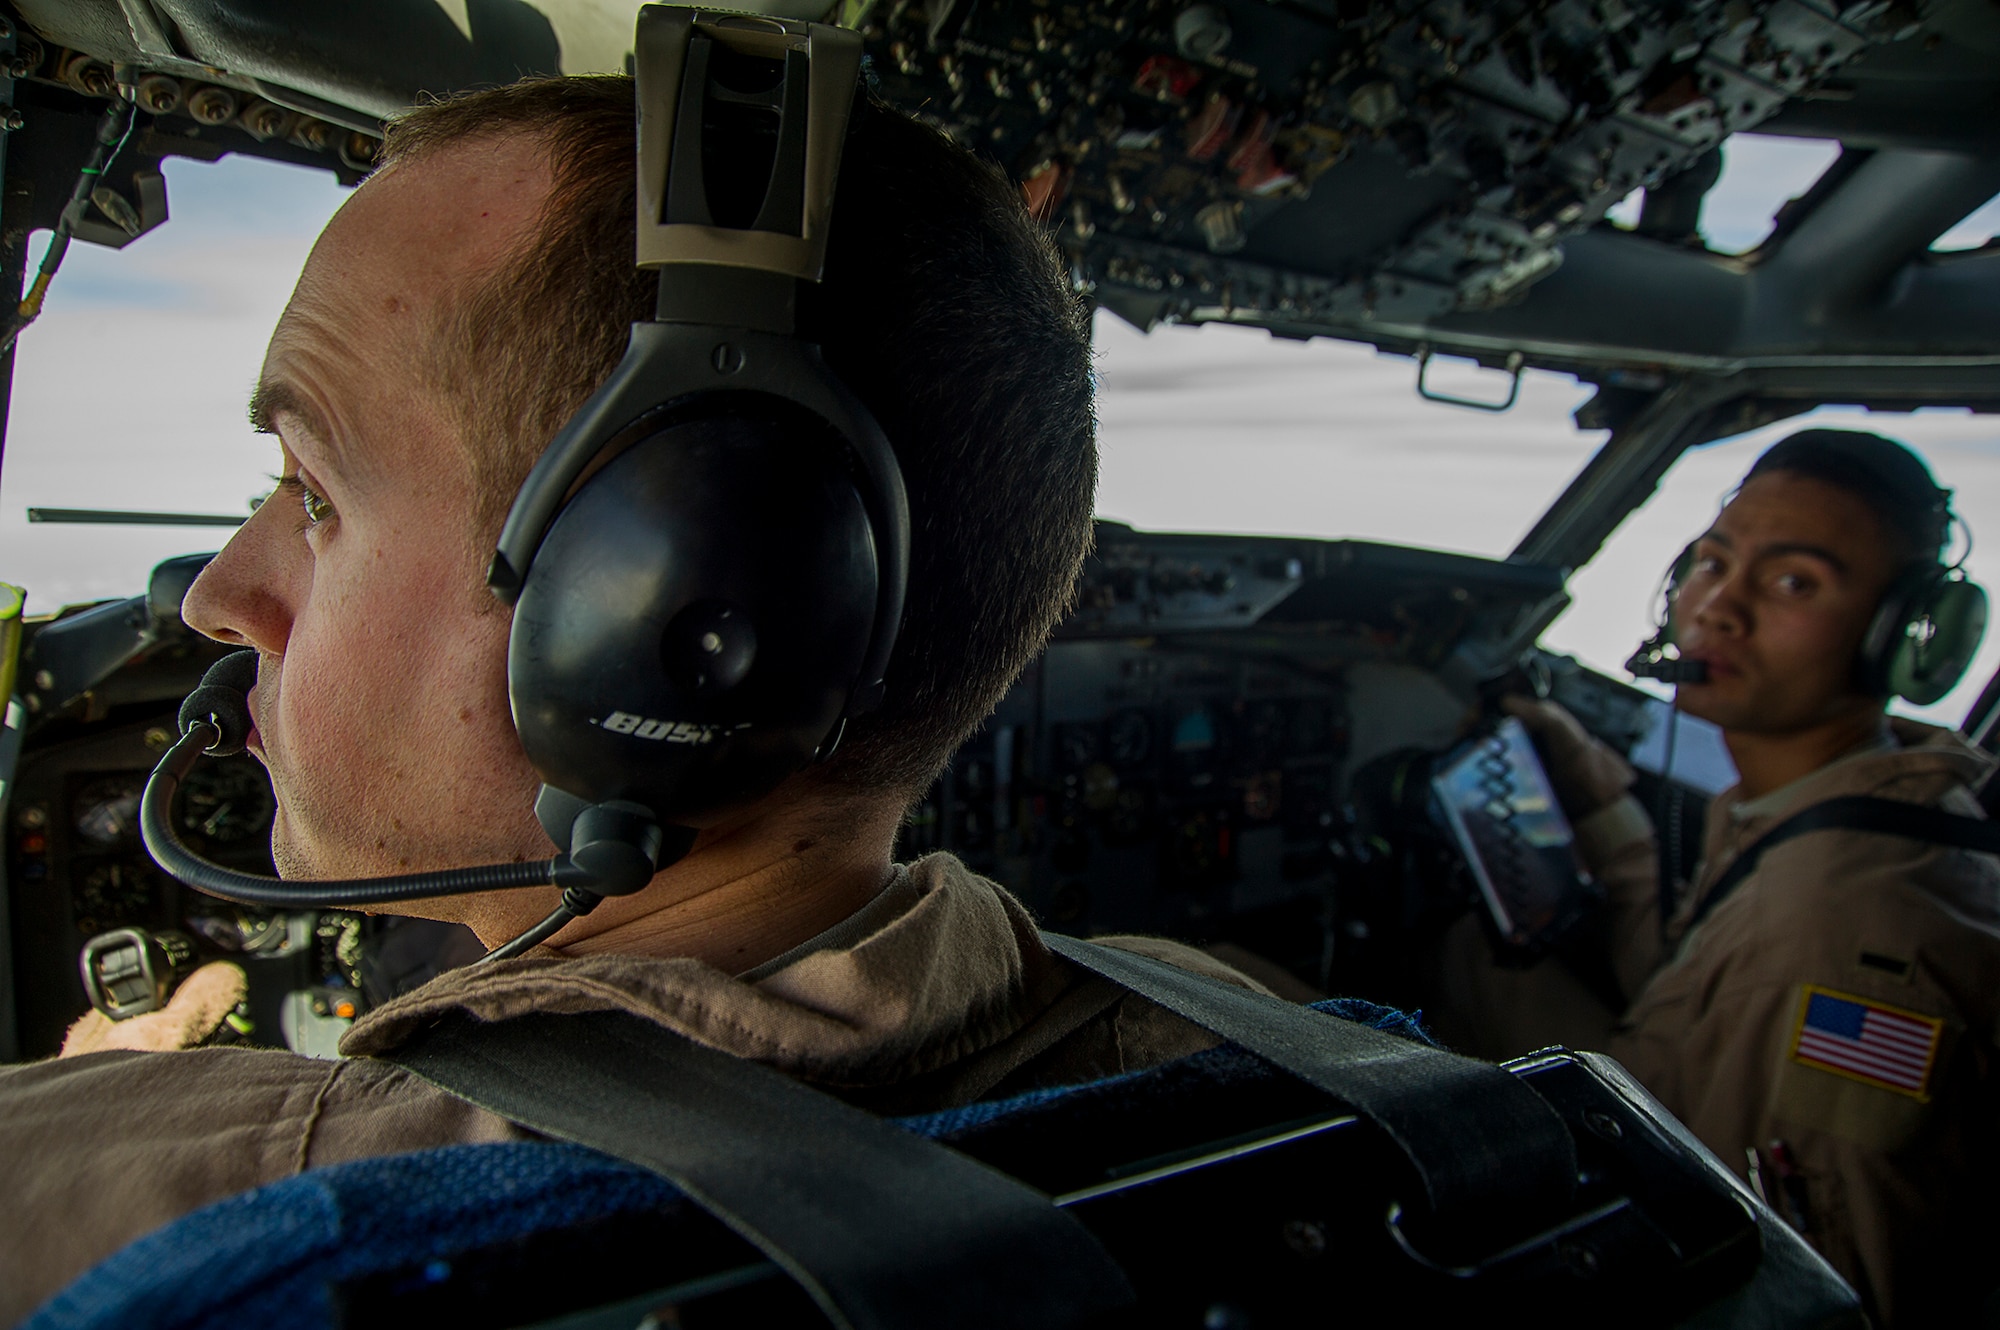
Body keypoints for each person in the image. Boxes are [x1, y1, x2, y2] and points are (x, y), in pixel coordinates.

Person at [0, 76, 1272, 1321]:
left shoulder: (158, 1210)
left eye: (314, 492)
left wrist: (122, 1109)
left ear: (672, 626)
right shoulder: (1258, 1041)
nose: (216, 595)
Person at [1428, 428, 2000, 1326]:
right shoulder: (1826, 807)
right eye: (1711, 563)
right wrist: (1587, 778)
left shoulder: (1851, 939)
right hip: (1660, 1090)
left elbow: (1837, 1294)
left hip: (1653, 1217)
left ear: (1901, 642)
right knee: (1474, 949)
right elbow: (1681, 961)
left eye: (1792, 583)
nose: (1718, 610)